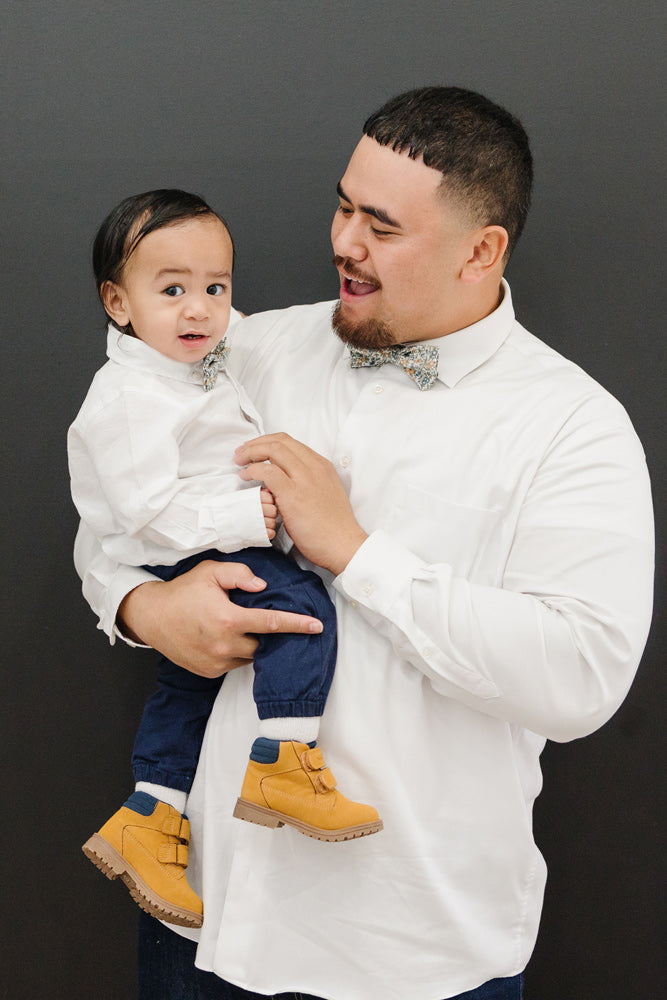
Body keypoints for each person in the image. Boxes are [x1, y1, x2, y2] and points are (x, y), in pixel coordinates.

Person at [74, 87, 654, 1000]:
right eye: (344, 205)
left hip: (414, 949)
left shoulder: (571, 425)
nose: (343, 241)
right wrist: (142, 606)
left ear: (481, 250)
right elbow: (113, 512)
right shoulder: (249, 348)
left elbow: (580, 678)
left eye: (380, 225)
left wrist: (353, 552)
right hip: (208, 917)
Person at [68, 190, 382, 929]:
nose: (199, 310)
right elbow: (132, 513)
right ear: (117, 302)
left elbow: (235, 329)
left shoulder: (216, 347)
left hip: (205, 547)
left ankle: (149, 813)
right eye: (172, 289)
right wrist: (249, 515)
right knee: (302, 611)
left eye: (216, 288)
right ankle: (283, 757)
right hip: (197, 546)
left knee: (189, 686)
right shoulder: (128, 398)